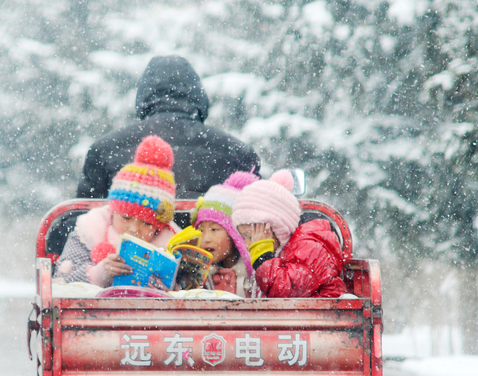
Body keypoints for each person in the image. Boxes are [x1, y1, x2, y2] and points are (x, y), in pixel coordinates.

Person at [77, 55, 261, 199]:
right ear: (199, 96)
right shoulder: (238, 154)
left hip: (129, 245)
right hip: (207, 247)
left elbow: (81, 219)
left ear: (143, 96)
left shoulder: (105, 150)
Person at [54, 135, 181, 288]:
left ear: (159, 227)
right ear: (113, 211)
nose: (134, 229)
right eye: (126, 218)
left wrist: (174, 290)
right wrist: (100, 273)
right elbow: (61, 283)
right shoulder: (89, 231)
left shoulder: (174, 245)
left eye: (146, 223)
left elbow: (195, 288)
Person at [232, 170, 346, 298]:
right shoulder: (281, 250)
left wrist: (262, 256)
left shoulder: (310, 246)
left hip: (322, 317)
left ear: (274, 228)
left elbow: (284, 292)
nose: (248, 244)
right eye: (244, 238)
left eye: (250, 236)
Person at [191, 171, 258, 297]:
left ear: (236, 234)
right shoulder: (198, 277)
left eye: (214, 229)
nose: (205, 239)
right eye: (200, 230)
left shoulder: (255, 276)